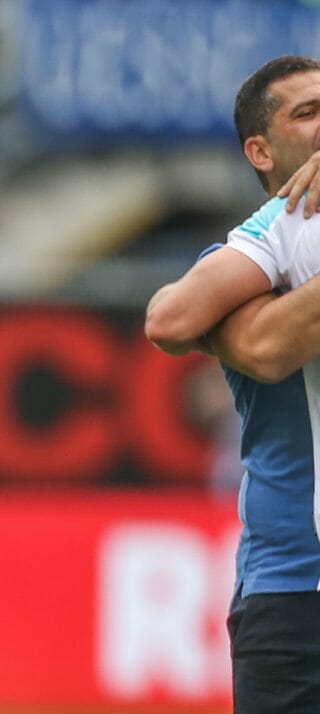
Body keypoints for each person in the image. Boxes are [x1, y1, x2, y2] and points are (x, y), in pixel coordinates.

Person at [145, 54, 320, 713]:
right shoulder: (265, 248)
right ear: (259, 149)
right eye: (305, 113)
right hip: (296, 587)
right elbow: (172, 320)